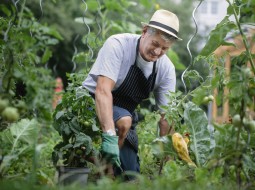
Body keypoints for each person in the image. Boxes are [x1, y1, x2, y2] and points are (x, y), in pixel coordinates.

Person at [82, 9, 181, 180]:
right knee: (124, 120)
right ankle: (98, 165)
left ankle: (101, 166)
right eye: (155, 44)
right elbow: (103, 90)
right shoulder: (118, 45)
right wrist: (110, 137)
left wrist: (167, 158)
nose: (157, 52)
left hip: (122, 117)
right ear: (144, 32)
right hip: (90, 104)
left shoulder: (166, 69)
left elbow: (167, 117)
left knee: (129, 177)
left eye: (164, 48)